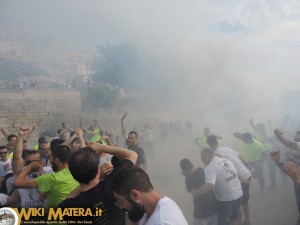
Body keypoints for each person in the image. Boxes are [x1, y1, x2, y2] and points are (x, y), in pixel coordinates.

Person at [58, 143, 138, 225]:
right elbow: (132, 155)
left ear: (73, 175)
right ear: (98, 170)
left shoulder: (68, 206)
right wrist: (102, 147)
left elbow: (69, 197)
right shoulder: (112, 184)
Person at [111, 166, 188, 225]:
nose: (120, 206)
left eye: (119, 200)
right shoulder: (155, 206)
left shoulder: (161, 222)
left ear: (135, 195)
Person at [207, 135, 254, 225]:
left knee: (237, 202)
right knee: (243, 201)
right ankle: (247, 220)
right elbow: (241, 156)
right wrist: (250, 168)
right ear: (216, 141)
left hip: (240, 178)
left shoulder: (217, 155)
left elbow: (227, 169)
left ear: (209, 145)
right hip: (246, 174)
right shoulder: (226, 148)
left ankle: (242, 222)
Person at [13, 144, 79, 208]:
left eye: (51, 160)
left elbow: (16, 184)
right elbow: (42, 198)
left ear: (56, 160)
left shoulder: (51, 177)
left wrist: (30, 167)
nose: (50, 161)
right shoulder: (77, 173)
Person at [192, 148, 243, 225]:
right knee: (233, 218)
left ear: (209, 155)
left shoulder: (210, 167)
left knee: (223, 222)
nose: (201, 159)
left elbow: (210, 185)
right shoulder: (226, 160)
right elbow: (235, 173)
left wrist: (196, 192)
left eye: (203, 157)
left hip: (227, 199)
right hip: (238, 195)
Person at [272, 128, 300, 225]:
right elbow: (291, 171)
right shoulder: (291, 152)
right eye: (295, 140)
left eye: (298, 140)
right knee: (299, 200)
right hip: (297, 183)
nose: (296, 142)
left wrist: (297, 180)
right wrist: (278, 161)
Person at [180, 158, 217, 225]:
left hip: (201, 211)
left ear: (183, 170)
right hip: (214, 207)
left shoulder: (188, 180)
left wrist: (187, 176)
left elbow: (194, 193)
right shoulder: (202, 170)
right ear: (192, 165)